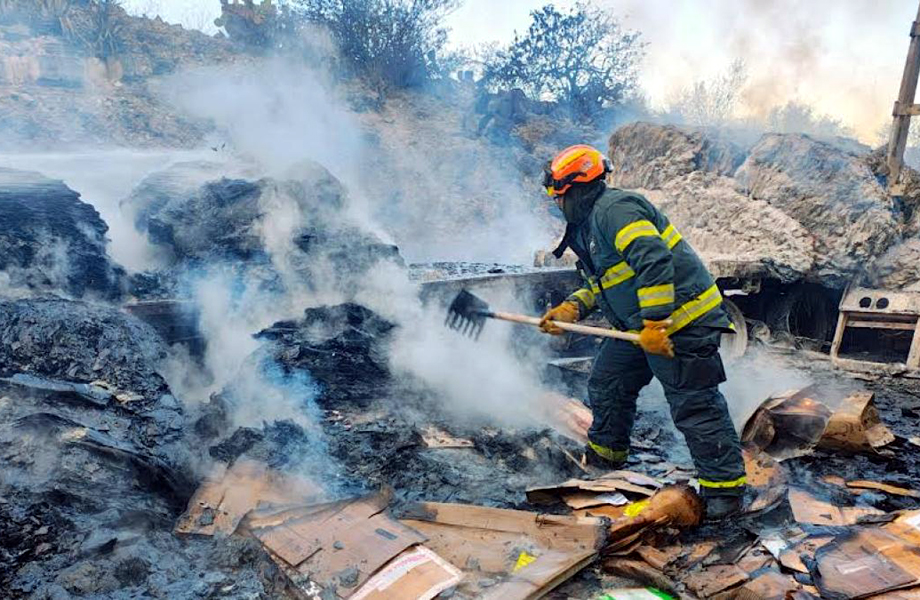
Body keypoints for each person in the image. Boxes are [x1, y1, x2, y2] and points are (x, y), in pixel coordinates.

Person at [539, 144, 746, 519]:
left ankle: (724, 493)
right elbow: (608, 281)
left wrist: (654, 323)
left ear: (576, 189)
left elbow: (653, 259)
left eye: (559, 196)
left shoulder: (615, 209)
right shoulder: (588, 227)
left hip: (681, 323)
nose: (556, 203)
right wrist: (574, 306)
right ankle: (606, 460)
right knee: (607, 381)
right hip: (640, 329)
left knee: (694, 404)